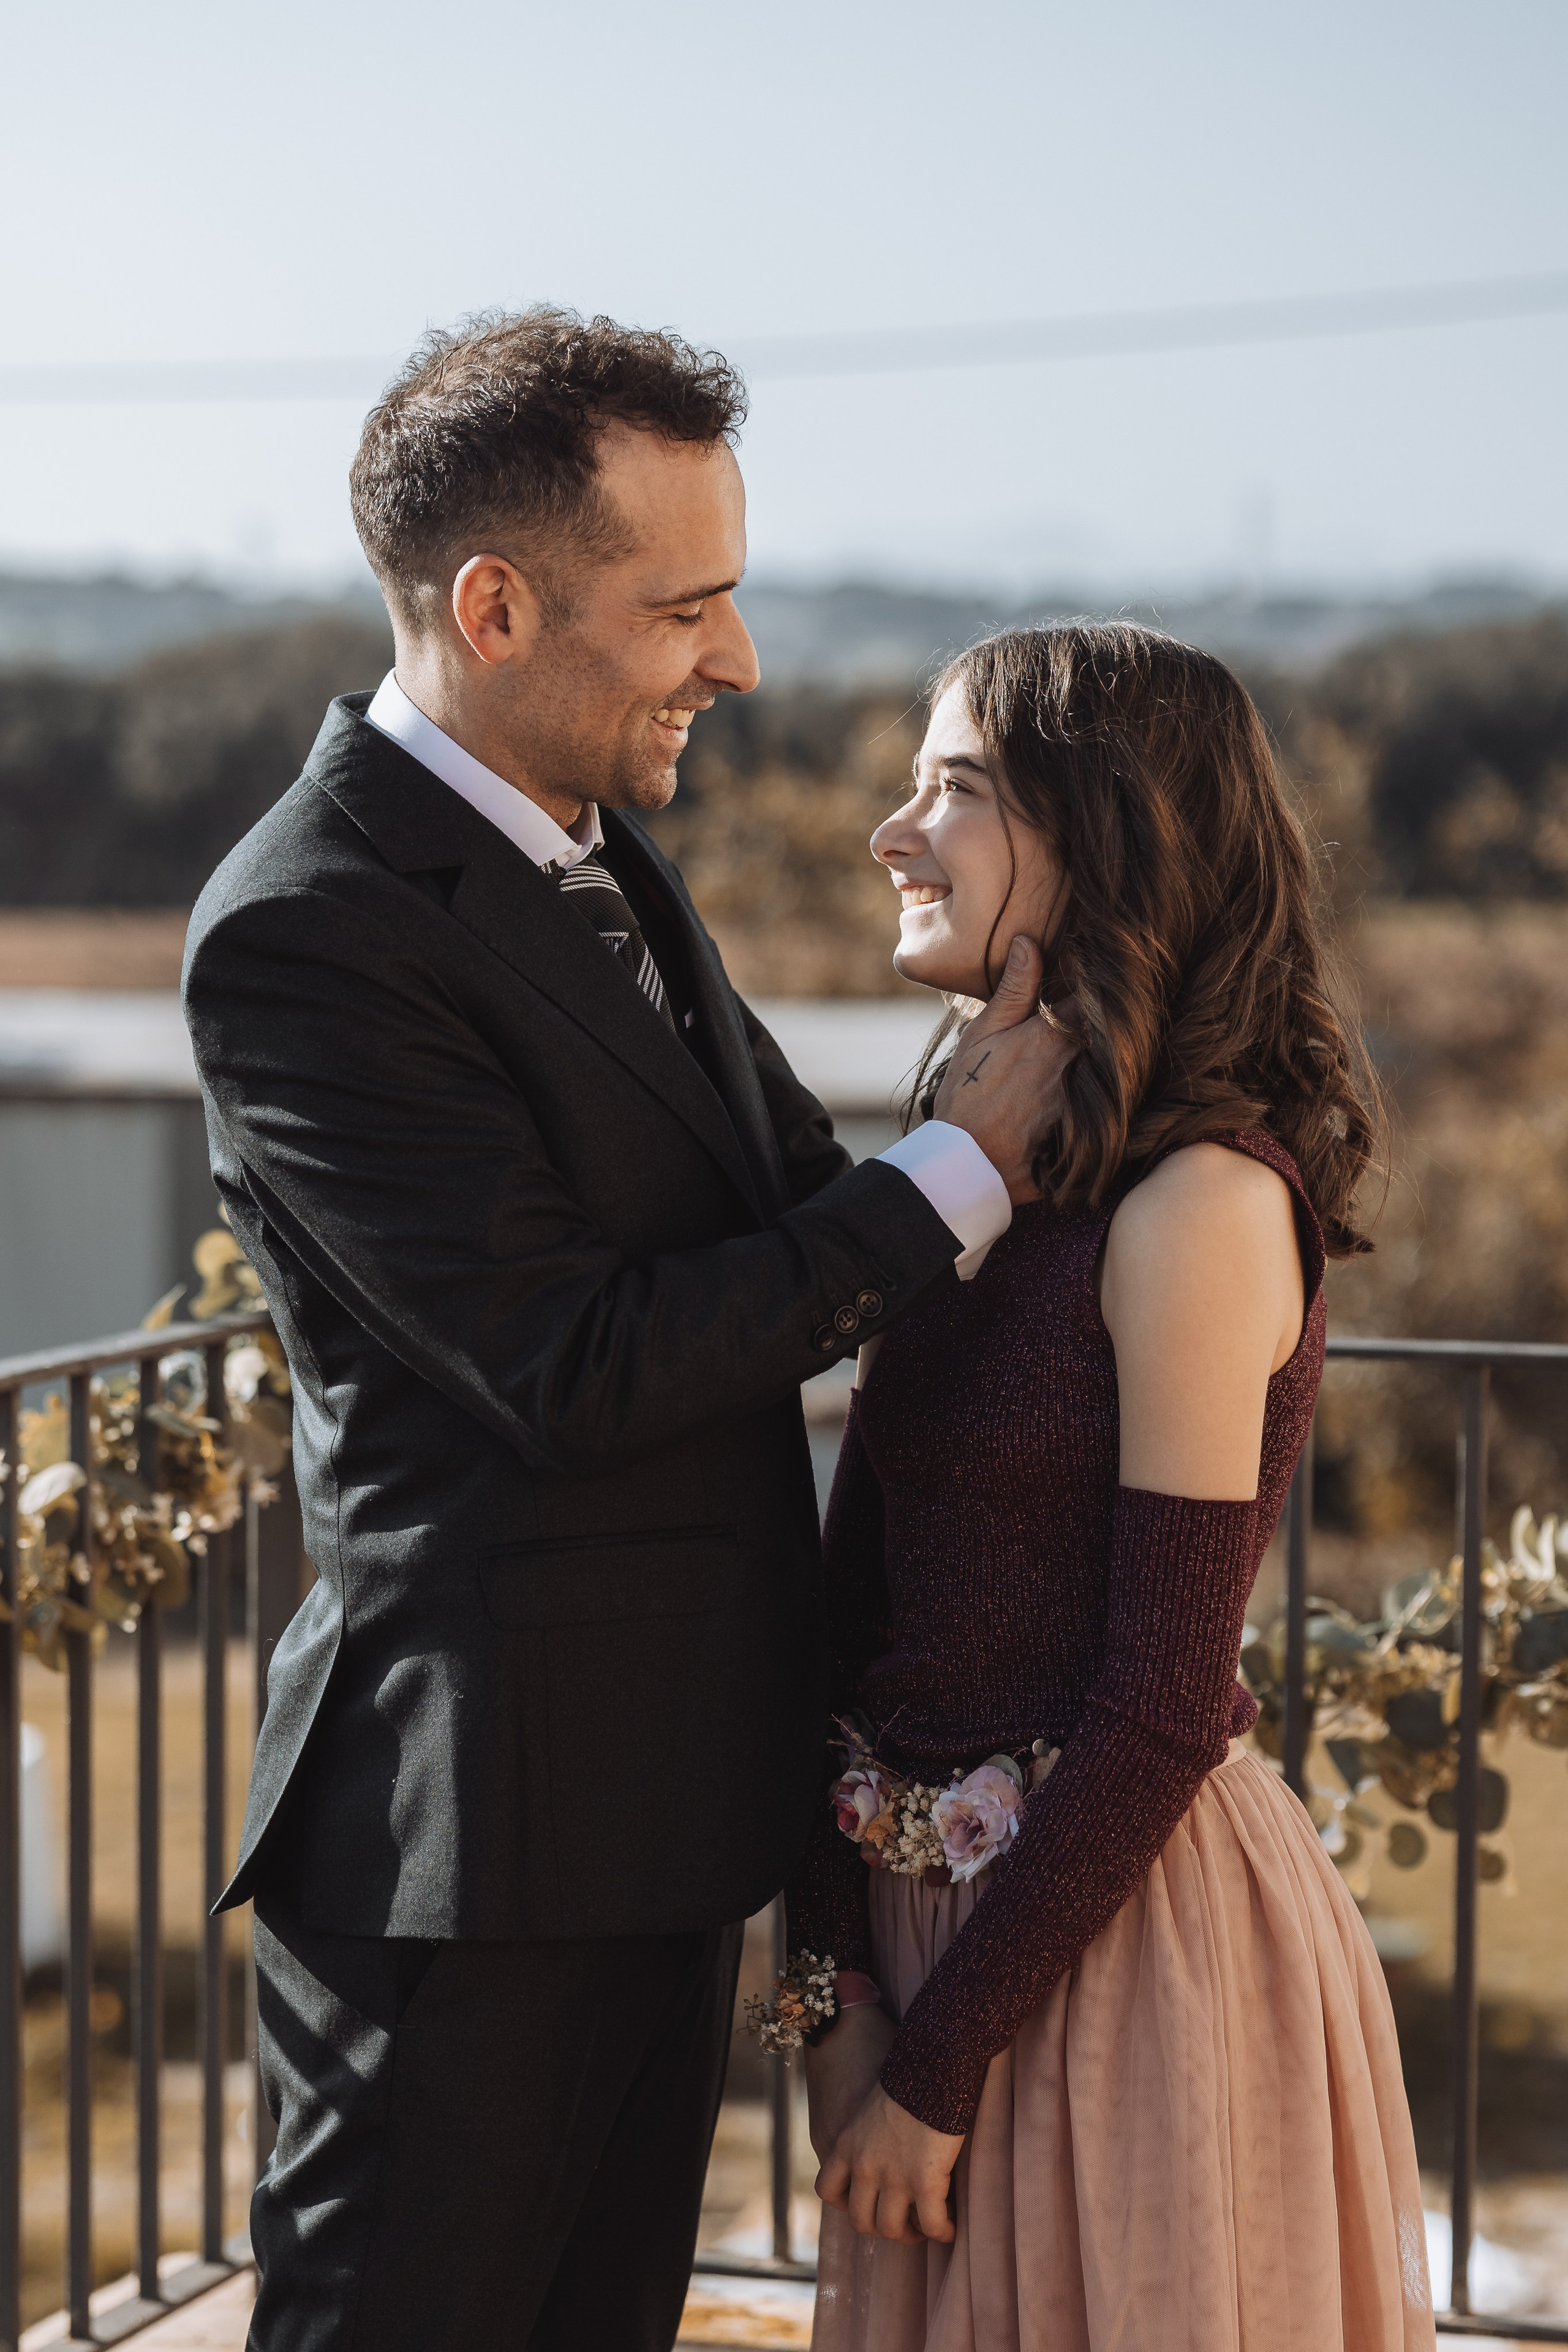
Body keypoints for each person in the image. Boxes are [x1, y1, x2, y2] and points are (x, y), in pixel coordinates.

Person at [181, 308, 1073, 2352]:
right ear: (496, 606)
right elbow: (569, 1359)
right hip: (469, 1843)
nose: (737, 661)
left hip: (660, 1803)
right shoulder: (304, 926)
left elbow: (781, 1200)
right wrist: (965, 1175)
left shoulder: (602, 861)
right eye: (688, 608)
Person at [786, 622, 1436, 2351]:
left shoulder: (1200, 1209)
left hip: (1115, 1971)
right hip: (922, 1969)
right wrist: (825, 1995)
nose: (894, 832)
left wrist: (930, 2070)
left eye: (961, 790)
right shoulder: (973, 1179)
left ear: (1109, 840)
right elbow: (838, 1625)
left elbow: (1157, 1704)